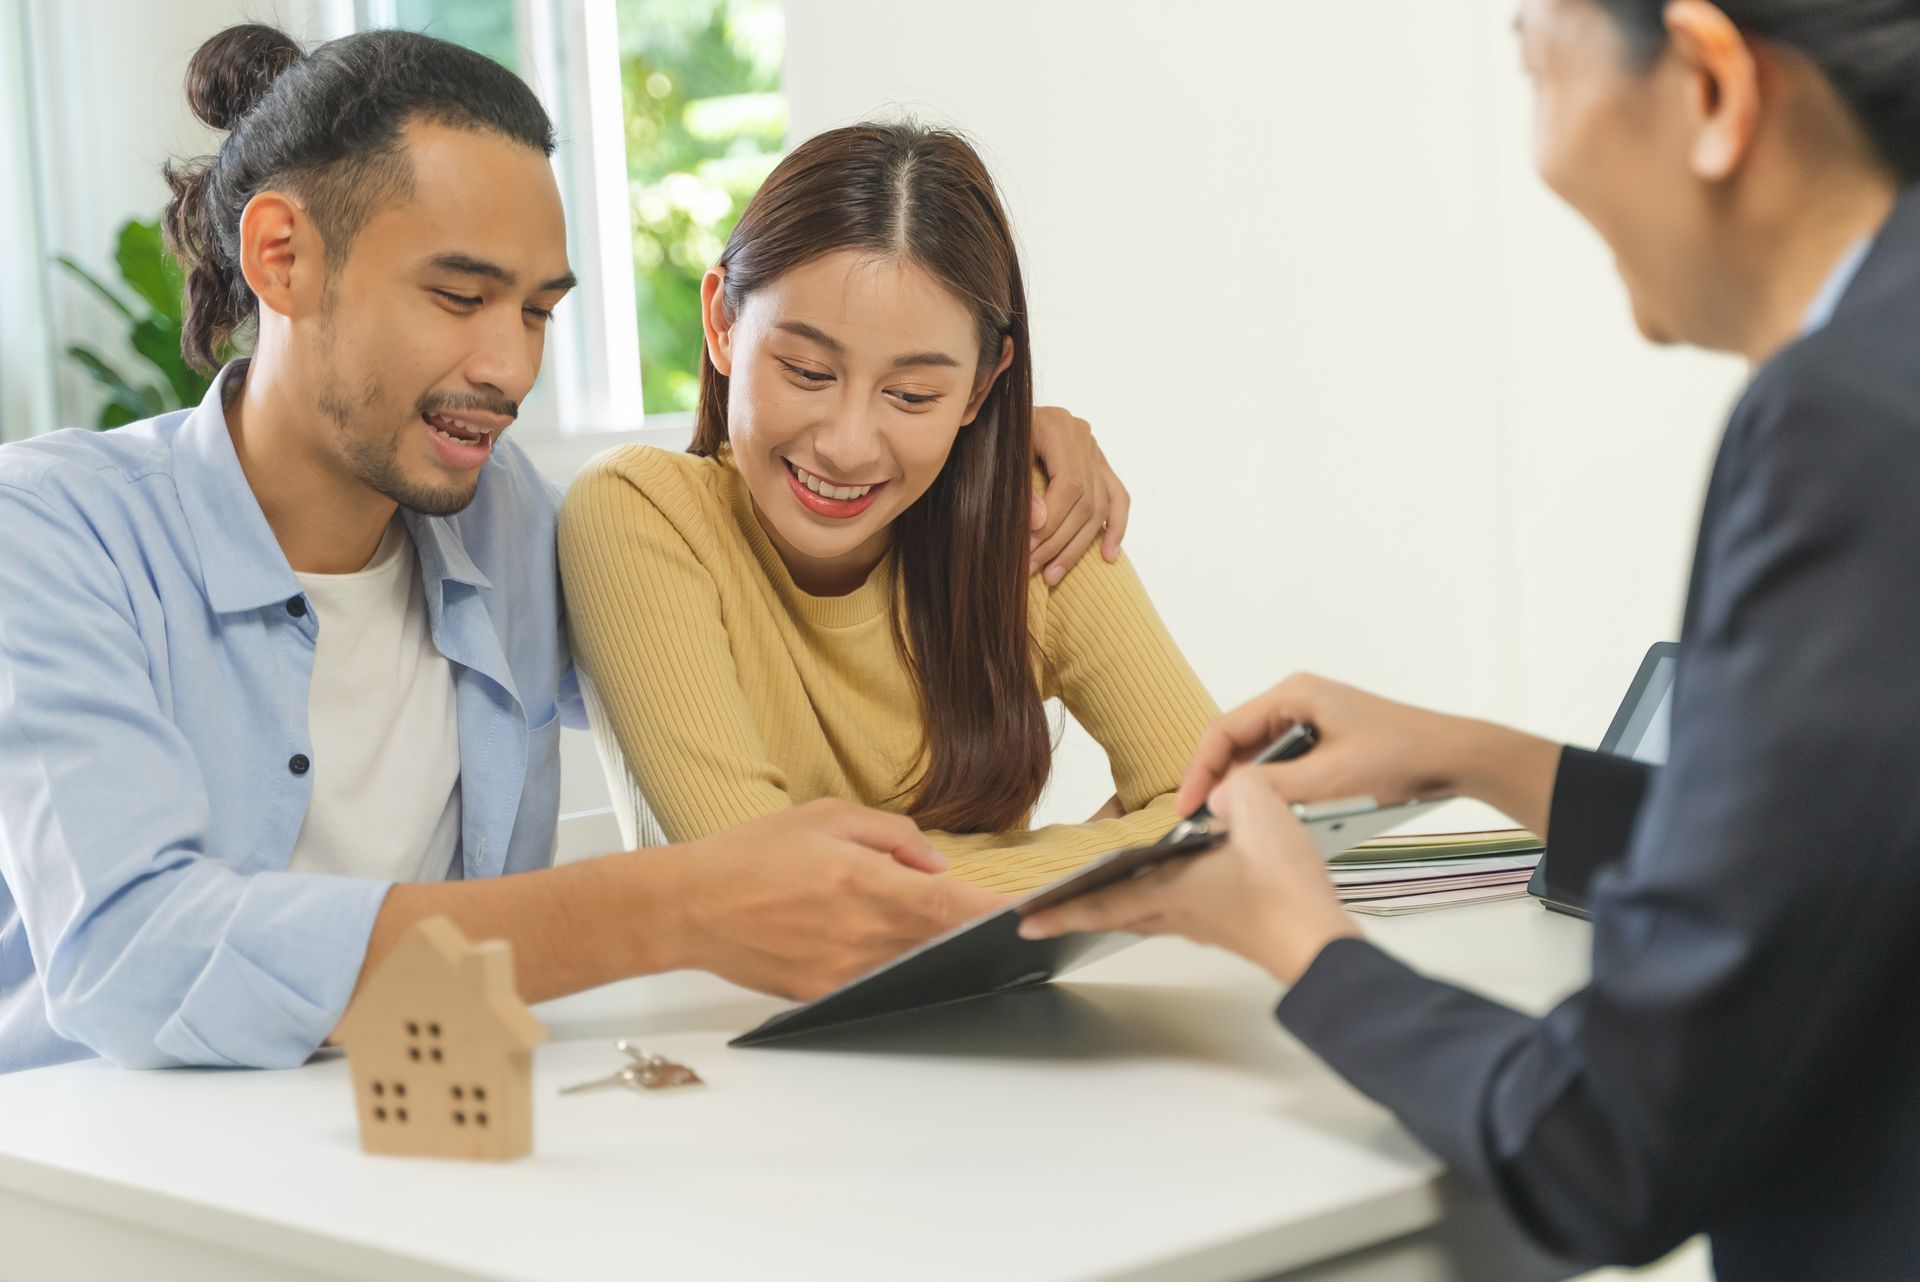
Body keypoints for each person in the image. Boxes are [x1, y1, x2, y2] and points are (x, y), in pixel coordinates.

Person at [0, 25, 1127, 1074]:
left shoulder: (520, 529)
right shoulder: (54, 531)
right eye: (458, 295)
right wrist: (661, 908)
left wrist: (983, 435)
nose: (508, 365)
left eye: (537, 312)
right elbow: (131, 955)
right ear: (282, 255)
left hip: (417, 1147)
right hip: (87, 1181)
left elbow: (765, 610)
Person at [1023, 1, 1920, 1276]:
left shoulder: (1844, 428)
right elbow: (1845, 865)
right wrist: (1484, 757)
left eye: (1538, 68)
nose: (1540, 151)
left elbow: (1607, 1142)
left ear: (1713, 87)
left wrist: (1300, 942)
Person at [558, 123, 1219, 895]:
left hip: (1004, 1011)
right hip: (744, 1019)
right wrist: (1115, 855)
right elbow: (775, 891)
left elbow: (1229, 806)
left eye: (912, 395)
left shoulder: (1035, 521)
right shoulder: (638, 514)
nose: (846, 445)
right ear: (722, 324)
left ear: (980, 387)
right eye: (807, 371)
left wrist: (895, 881)